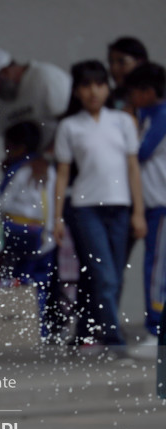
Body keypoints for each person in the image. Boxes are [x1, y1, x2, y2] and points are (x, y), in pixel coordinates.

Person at [53, 60, 146, 355]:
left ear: (108, 88)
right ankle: (114, 340)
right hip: (84, 208)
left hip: (120, 207)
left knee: (112, 277)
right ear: (77, 91)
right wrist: (55, 218)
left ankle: (85, 331)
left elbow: (133, 169)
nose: (93, 91)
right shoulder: (69, 126)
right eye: (86, 85)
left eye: (99, 84)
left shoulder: (123, 121)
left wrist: (139, 211)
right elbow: (63, 174)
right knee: (104, 274)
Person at [0, 47, 70, 181]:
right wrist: (11, 160)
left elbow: (71, 125)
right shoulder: (4, 98)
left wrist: (46, 158)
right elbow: (10, 138)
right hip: (37, 170)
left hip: (67, 167)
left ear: (4, 72)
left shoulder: (45, 77)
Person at [0, 121, 58, 340]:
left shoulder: (19, 170)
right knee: (40, 285)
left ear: (18, 146)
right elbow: (52, 202)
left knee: (20, 281)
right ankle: (39, 331)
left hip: (22, 233)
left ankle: (21, 331)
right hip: (45, 236)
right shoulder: (46, 168)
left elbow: (3, 204)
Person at [126, 62, 166, 346]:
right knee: (155, 266)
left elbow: (139, 151)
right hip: (153, 204)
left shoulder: (161, 114)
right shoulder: (145, 114)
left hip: (161, 203)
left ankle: (155, 329)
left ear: (148, 91)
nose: (131, 100)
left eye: (134, 93)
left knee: (156, 268)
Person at [107, 37, 149, 114]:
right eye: (111, 62)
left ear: (140, 62)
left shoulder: (157, 98)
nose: (114, 68)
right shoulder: (109, 98)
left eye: (121, 62)